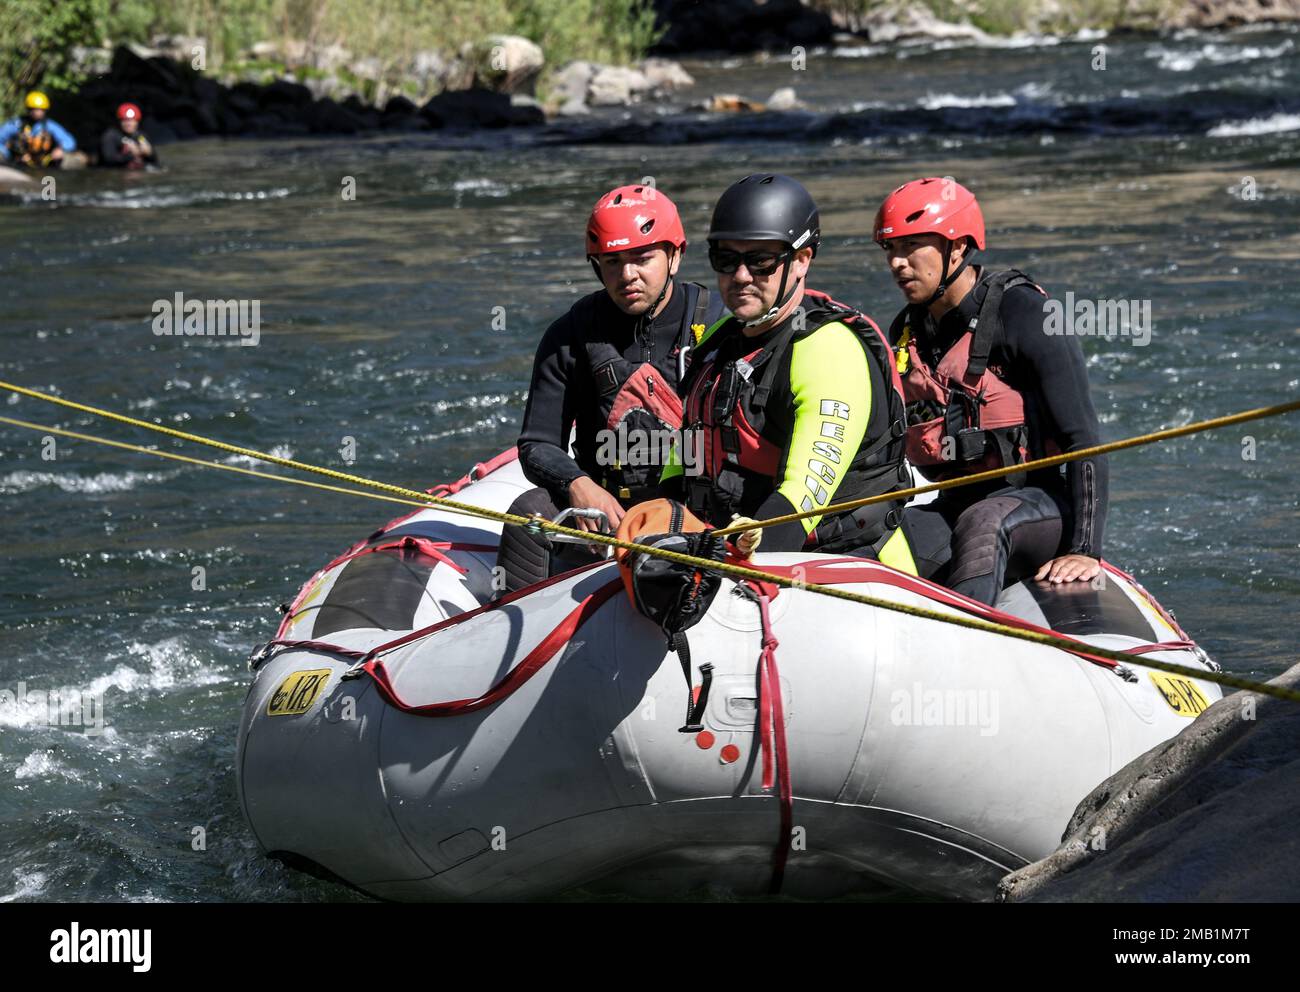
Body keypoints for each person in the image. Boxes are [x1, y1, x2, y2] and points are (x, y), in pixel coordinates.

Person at [873, 176, 1109, 605]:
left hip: (1038, 505)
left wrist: (1085, 550)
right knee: (878, 540)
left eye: (911, 246)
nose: (896, 263)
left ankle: (970, 647)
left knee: (985, 523)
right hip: (955, 504)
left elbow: (1083, 439)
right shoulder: (908, 330)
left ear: (957, 247)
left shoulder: (1027, 314)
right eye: (890, 248)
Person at [663, 173, 914, 566]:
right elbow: (682, 467)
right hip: (729, 550)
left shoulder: (828, 350)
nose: (741, 276)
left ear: (800, 261)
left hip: (846, 564)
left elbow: (799, 505)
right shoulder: (717, 343)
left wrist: (731, 557)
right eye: (726, 260)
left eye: (761, 260)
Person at [498, 183, 726, 592]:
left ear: (675, 257)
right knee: (528, 513)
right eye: (612, 261)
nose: (627, 275)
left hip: (699, 508)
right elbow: (537, 443)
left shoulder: (720, 324)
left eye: (642, 258)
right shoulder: (569, 335)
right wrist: (576, 485)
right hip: (607, 513)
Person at [0, 91, 77, 168]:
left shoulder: (49, 125)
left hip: (44, 162)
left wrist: (61, 149)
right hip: (17, 161)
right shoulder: (17, 123)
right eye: (35, 109)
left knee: (68, 158)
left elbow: (69, 141)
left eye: (41, 110)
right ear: (29, 109)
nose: (38, 112)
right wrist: (7, 154)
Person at [99, 103, 159, 169]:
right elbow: (108, 160)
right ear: (119, 121)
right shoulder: (110, 136)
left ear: (137, 121)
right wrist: (131, 155)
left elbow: (155, 161)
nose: (129, 124)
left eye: (132, 120)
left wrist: (149, 153)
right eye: (125, 120)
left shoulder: (141, 136)